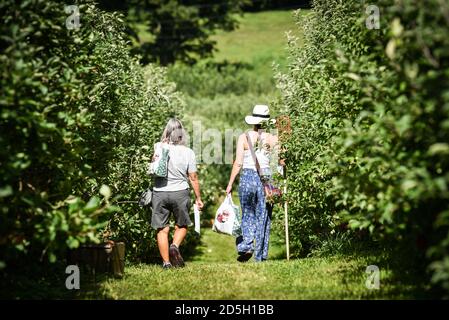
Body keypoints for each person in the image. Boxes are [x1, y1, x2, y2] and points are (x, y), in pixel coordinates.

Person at [226, 104, 279, 262]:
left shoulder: (244, 137)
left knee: (247, 213)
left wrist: (230, 184)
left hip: (247, 178)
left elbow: (238, 163)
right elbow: (278, 162)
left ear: (253, 121)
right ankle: (260, 256)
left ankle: (246, 246)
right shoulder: (273, 138)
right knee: (264, 216)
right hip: (266, 177)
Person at [150, 118, 203, 269]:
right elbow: (193, 178)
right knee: (182, 224)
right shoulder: (188, 152)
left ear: (166, 131)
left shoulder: (158, 147)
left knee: (162, 228)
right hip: (180, 192)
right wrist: (198, 198)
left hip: (160, 192)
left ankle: (166, 263)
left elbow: (154, 167)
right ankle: (174, 246)